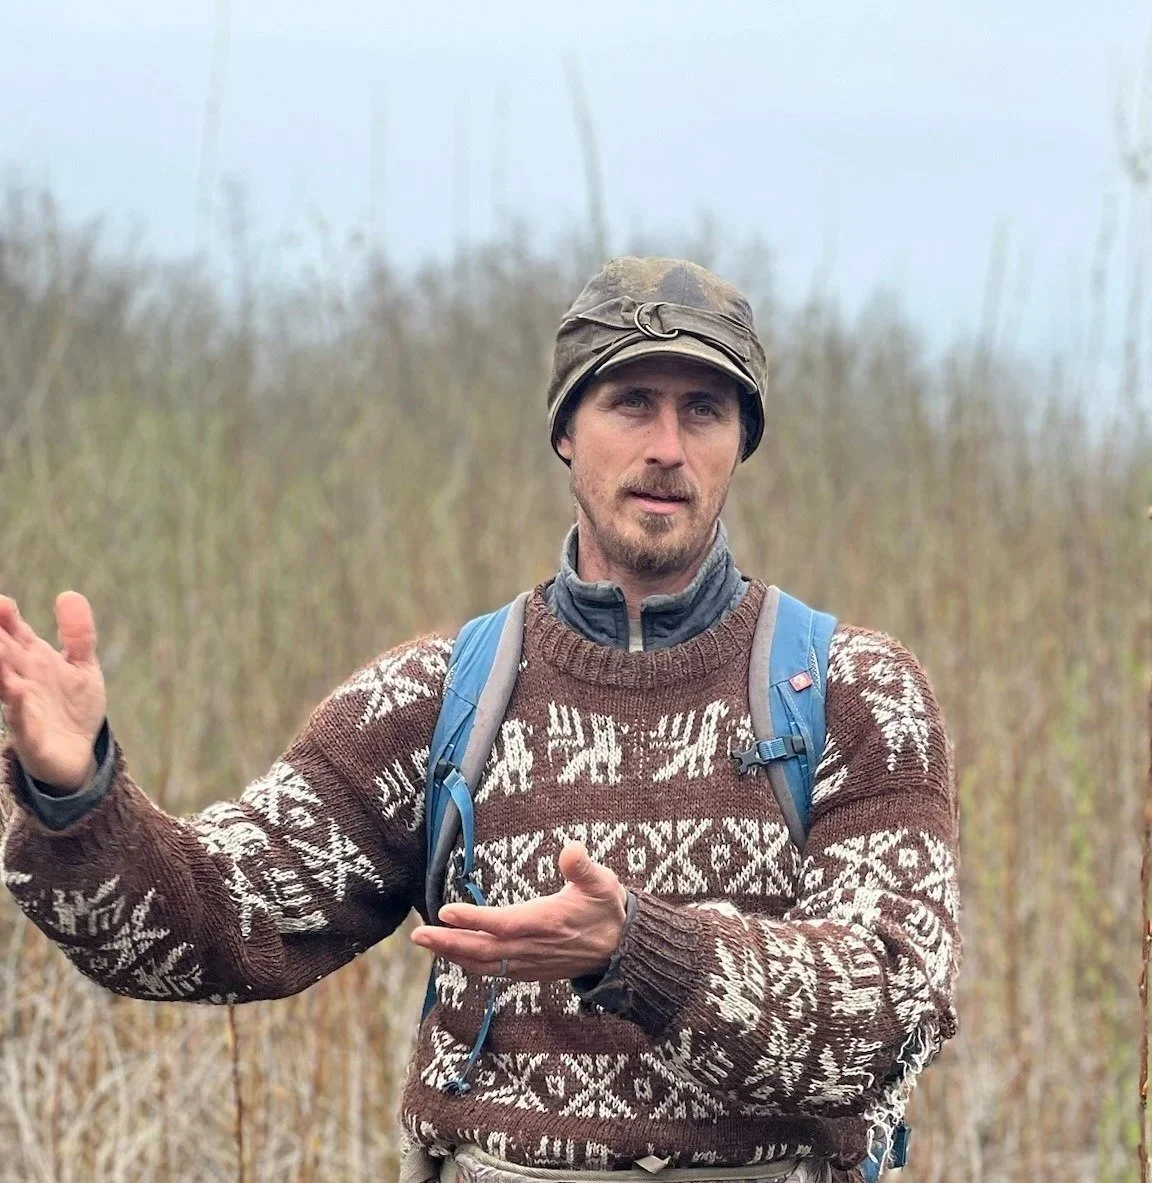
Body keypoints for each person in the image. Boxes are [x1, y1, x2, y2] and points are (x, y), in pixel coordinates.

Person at [0, 257, 960, 1183]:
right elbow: (214, 921)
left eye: (703, 409)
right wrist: (75, 792)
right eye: (631, 402)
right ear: (566, 429)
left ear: (740, 443)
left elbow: (893, 1012)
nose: (667, 446)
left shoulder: (853, 694)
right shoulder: (439, 699)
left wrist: (637, 949)